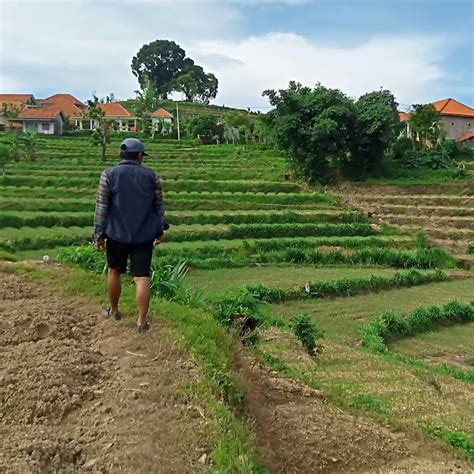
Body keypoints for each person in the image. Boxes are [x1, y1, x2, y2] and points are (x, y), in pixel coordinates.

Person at [93, 138, 165, 333]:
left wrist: (99, 233)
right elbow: (158, 207)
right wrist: (160, 230)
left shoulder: (108, 174)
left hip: (116, 233)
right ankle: (141, 323)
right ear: (139, 155)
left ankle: (115, 311)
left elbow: (101, 207)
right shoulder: (152, 176)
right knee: (141, 277)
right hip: (144, 234)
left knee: (114, 271)